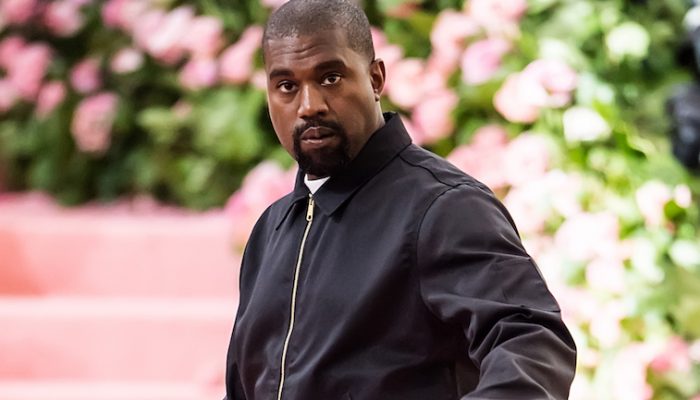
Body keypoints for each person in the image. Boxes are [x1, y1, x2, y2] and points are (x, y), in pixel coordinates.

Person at [224, 1, 577, 399]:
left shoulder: (444, 207)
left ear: (375, 79)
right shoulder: (271, 229)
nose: (310, 105)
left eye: (331, 77)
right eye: (287, 86)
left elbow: (531, 341)